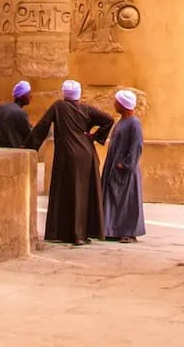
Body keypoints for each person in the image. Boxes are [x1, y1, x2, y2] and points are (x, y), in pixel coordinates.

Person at [30, 79, 113, 245]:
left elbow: (43, 126)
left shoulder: (59, 107)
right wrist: (93, 137)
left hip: (67, 156)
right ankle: (81, 233)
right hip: (86, 156)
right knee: (83, 194)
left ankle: (67, 233)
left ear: (64, 93)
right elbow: (108, 120)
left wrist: (29, 146)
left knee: (67, 192)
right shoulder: (86, 109)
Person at [100, 89, 145, 242]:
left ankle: (129, 232)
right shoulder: (122, 122)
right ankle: (112, 230)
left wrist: (124, 164)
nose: (114, 104)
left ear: (123, 105)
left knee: (127, 201)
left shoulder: (134, 124)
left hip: (125, 170)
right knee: (114, 199)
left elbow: (136, 147)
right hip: (114, 167)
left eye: (117, 102)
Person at [0, 81, 35, 149]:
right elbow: (29, 135)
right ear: (21, 96)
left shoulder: (0, 108)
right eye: (28, 93)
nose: (31, 96)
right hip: (15, 153)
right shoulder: (21, 113)